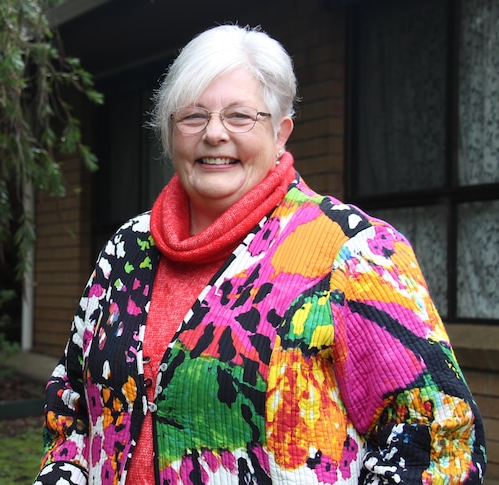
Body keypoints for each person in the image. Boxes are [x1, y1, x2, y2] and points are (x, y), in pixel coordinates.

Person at [33, 24, 487, 485]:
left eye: (239, 116)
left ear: (281, 131)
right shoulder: (128, 248)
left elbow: (439, 438)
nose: (214, 134)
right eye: (193, 116)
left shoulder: (351, 250)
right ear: (170, 133)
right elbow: (71, 398)